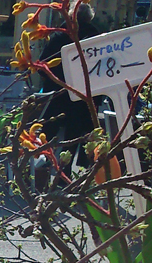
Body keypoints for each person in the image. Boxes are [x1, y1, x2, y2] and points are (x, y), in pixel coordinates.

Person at [38, 3, 101, 161]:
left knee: (46, 137)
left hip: (57, 96)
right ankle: (66, 174)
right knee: (74, 140)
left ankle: (39, 169)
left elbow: (42, 67)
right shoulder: (96, 39)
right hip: (84, 100)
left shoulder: (59, 36)